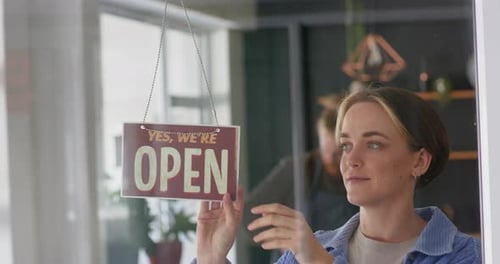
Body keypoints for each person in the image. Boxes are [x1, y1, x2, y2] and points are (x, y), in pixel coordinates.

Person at [192, 86, 482, 264]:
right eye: (346, 145)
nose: (350, 159)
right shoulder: (305, 252)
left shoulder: (468, 257)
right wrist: (211, 260)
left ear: (419, 161)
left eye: (374, 144)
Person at [241, 94, 358, 262]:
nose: (330, 159)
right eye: (325, 151)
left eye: (338, 153)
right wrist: (281, 239)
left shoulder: (359, 175)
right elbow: (249, 215)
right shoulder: (297, 169)